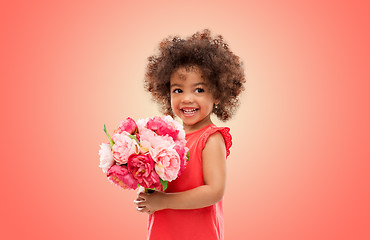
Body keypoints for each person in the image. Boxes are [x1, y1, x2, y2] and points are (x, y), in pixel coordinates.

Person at [134, 29, 246, 240]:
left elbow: (214, 192)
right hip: (164, 231)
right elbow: (166, 184)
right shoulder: (169, 139)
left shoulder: (211, 138)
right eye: (178, 90)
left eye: (199, 90)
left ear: (218, 95)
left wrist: (162, 201)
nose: (187, 99)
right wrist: (148, 195)